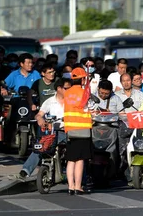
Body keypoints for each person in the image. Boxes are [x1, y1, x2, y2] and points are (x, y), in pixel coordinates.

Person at [12, 78, 72, 180]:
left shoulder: (73, 101)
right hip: (53, 132)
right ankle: (25, 171)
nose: (70, 91)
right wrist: (40, 119)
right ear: (59, 88)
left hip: (70, 131)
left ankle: (82, 176)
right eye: (67, 88)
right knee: (41, 146)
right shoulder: (49, 102)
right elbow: (39, 115)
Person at [63, 67, 93, 195]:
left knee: (71, 159)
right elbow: (90, 108)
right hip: (82, 129)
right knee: (80, 159)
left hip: (70, 128)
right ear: (82, 79)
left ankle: (70, 186)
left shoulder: (67, 93)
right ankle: (78, 186)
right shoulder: (84, 93)